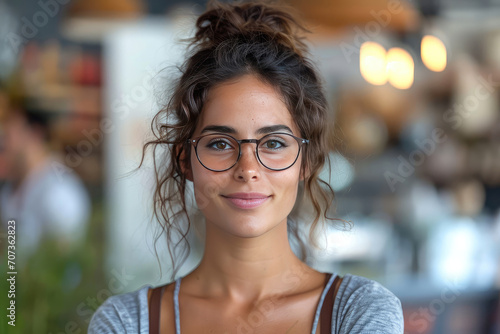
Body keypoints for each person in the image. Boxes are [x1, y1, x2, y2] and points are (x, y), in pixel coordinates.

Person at [88, 1, 404, 333]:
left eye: (274, 143)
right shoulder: (125, 323)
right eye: (220, 144)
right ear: (185, 160)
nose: (248, 169)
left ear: (307, 162)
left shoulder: (359, 311)